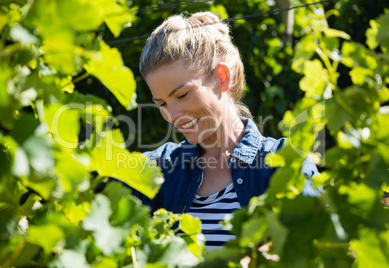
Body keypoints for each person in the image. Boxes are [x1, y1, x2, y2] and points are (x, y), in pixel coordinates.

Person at [131, 11, 318, 251]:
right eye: (162, 104)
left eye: (182, 95)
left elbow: (315, 251)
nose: (173, 114)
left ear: (222, 78)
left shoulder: (285, 163)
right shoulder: (155, 169)